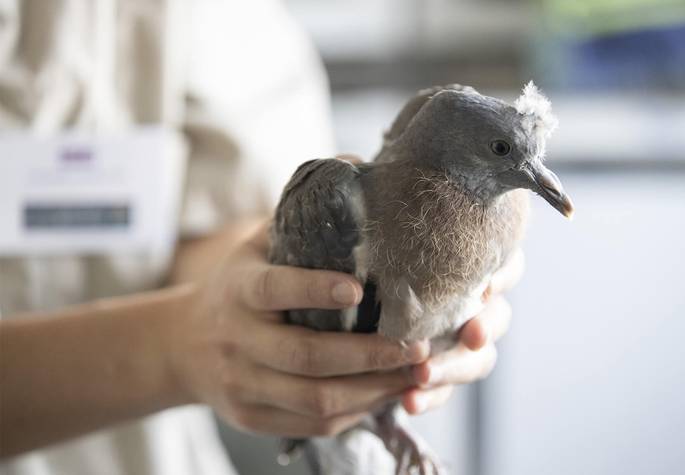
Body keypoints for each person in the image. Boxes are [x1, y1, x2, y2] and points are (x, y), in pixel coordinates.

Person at [0, 1, 518, 474]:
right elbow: (195, 331)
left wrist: (268, 316)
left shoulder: (220, 21)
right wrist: (179, 347)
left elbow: (230, 225)